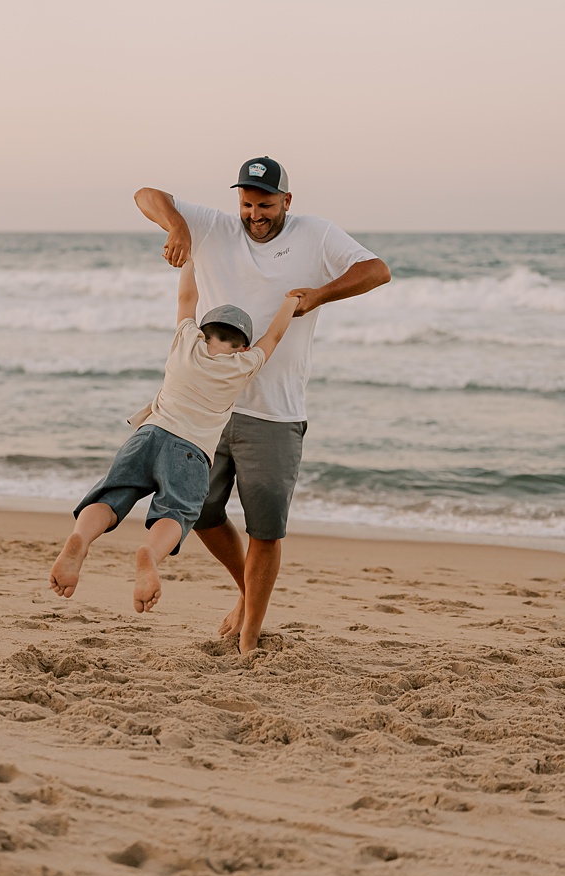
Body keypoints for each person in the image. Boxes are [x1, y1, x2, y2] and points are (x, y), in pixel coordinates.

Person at [134, 156, 390, 653]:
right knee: (199, 509)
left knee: (265, 528)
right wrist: (178, 225)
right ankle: (247, 593)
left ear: (286, 201)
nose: (255, 213)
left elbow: (376, 270)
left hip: (275, 410)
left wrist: (321, 294)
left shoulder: (316, 235)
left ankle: (251, 630)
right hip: (208, 409)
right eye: (247, 203)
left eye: (266, 203)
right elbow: (146, 194)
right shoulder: (213, 226)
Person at [49, 256, 297, 616]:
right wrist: (290, 300)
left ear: (204, 331)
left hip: (147, 435)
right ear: (243, 345)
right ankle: (150, 552)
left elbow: (186, 299)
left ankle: (81, 538)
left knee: (111, 495)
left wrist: (192, 260)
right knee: (176, 513)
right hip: (189, 452)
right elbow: (274, 335)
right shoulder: (243, 364)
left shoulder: (185, 341)